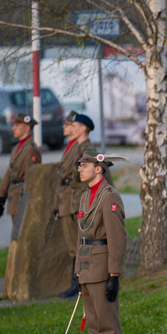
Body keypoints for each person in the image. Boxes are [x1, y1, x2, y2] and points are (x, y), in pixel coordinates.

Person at [73, 151, 127, 334]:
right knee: (94, 323)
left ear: (98, 168)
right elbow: (81, 237)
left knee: (107, 323)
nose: (79, 169)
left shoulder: (109, 197)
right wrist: (77, 271)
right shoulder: (85, 197)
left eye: (84, 165)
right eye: (79, 165)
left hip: (102, 268)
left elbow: (117, 238)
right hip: (86, 268)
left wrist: (114, 275)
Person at [58, 113, 95, 299]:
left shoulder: (87, 149)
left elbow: (85, 175)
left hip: (77, 199)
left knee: (78, 244)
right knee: (73, 244)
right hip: (69, 199)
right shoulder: (76, 147)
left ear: (82, 128)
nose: (71, 127)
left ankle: (79, 283)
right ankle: (77, 282)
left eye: (75, 125)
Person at [0, 115, 41, 226]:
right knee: (16, 239)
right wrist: (0, 200)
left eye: (17, 125)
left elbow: (32, 179)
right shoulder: (16, 149)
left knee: (20, 239)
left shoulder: (30, 150)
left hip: (23, 202)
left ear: (27, 128)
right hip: (14, 200)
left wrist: (28, 203)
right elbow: (8, 175)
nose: (13, 128)